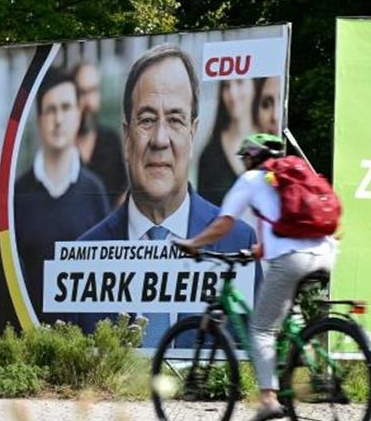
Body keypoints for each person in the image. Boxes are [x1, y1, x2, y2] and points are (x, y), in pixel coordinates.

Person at [74, 44, 257, 344]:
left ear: (193, 134)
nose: (160, 139)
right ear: (126, 138)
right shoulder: (84, 257)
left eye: (175, 119)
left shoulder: (239, 243)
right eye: (146, 119)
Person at [177, 133, 338, 421]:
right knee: (288, 318)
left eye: (245, 158)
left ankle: (268, 400)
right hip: (326, 254)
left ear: (251, 157)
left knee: (261, 329)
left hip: (292, 259)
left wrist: (194, 243)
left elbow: (224, 223)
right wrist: (253, 252)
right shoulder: (292, 177)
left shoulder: (252, 180)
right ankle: (310, 363)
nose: (244, 163)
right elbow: (278, 232)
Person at [13, 67, 109, 324]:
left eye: (66, 107)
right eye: (51, 110)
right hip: (30, 342)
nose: (58, 119)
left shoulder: (95, 192)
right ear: (39, 118)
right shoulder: (17, 194)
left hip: (87, 347)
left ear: (79, 113)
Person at [73, 61, 128, 208]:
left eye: (93, 91)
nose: (88, 101)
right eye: (82, 92)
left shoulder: (110, 141)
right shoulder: (62, 147)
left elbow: (122, 194)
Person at [197, 78, 255, 207]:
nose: (233, 94)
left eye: (240, 82)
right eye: (226, 86)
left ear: (253, 85)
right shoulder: (209, 156)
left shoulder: (270, 142)